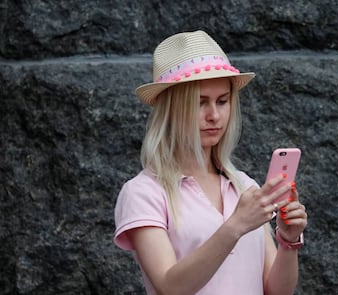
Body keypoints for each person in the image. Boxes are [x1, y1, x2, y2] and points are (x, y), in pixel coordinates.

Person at [113, 30, 308, 295]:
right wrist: (235, 226)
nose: (214, 115)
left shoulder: (243, 186)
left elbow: (277, 291)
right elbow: (171, 286)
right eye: (199, 102)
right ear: (172, 109)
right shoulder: (143, 193)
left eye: (222, 101)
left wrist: (288, 239)